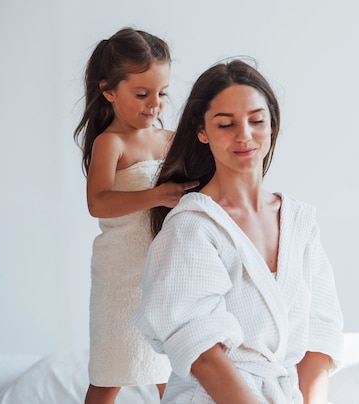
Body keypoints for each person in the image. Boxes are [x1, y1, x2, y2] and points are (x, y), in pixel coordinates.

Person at [132, 59, 344, 403]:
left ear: (272, 124)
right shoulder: (192, 226)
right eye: (226, 124)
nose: (244, 135)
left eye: (257, 120)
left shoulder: (300, 223)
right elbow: (201, 351)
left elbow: (319, 337)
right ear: (202, 132)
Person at [73, 27, 198, 404]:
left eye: (162, 93)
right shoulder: (109, 142)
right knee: (112, 370)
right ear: (109, 91)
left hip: (163, 272)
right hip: (121, 273)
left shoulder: (170, 139)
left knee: (172, 373)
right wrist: (157, 194)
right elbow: (98, 202)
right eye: (142, 94)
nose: (154, 104)